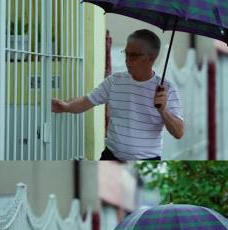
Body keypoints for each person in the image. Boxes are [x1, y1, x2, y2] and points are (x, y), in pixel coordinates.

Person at [51, 29, 184, 160]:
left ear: (151, 58)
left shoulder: (167, 89)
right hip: (110, 155)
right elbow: (86, 101)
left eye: (134, 55)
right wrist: (65, 106)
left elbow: (178, 133)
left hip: (147, 159)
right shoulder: (115, 81)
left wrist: (163, 111)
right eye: (126, 54)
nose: (127, 60)